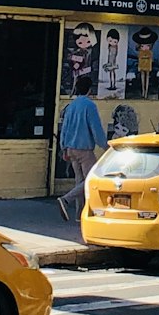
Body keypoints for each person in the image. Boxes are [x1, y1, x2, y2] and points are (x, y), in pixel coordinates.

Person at [58, 74, 108, 222]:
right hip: (84, 149)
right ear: (90, 89)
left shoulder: (71, 106)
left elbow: (65, 128)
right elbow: (96, 128)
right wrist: (105, 145)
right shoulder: (89, 105)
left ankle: (80, 215)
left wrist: (63, 147)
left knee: (79, 181)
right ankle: (66, 200)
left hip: (70, 148)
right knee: (91, 180)